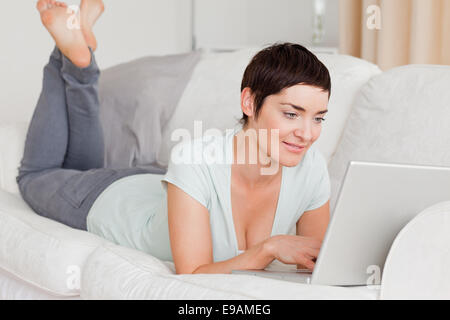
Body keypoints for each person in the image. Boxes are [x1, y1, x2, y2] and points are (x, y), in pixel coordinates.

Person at [17, 0, 332, 275]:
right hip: (111, 197)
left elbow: (319, 263)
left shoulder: (312, 169)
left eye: (318, 118)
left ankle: (77, 50)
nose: (307, 134)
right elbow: (194, 272)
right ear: (249, 102)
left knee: (82, 166)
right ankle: (70, 55)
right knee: (36, 176)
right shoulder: (195, 159)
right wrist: (269, 249)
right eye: (291, 114)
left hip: (162, 183)